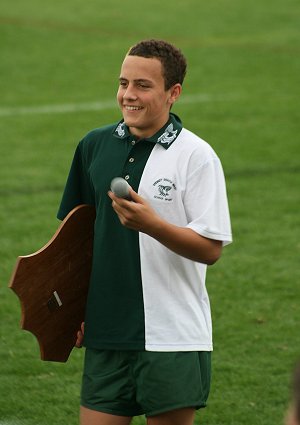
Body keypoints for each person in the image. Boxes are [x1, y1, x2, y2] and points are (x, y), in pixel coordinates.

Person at [57, 39, 232, 425]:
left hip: (173, 337)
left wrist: (152, 226)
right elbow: (76, 238)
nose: (128, 95)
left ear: (173, 93)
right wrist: (74, 306)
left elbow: (211, 248)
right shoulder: (93, 145)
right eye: (123, 83)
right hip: (106, 333)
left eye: (142, 85)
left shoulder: (196, 156)